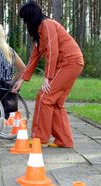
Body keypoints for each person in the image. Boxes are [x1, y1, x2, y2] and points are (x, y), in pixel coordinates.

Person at [12, 1, 84, 148]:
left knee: (45, 97)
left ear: (31, 16)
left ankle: (39, 138)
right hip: (69, 64)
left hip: (70, 62)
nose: (25, 23)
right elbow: (34, 58)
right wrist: (22, 80)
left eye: (25, 19)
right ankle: (64, 140)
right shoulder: (39, 32)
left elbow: (53, 51)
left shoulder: (47, 24)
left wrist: (47, 77)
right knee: (56, 102)